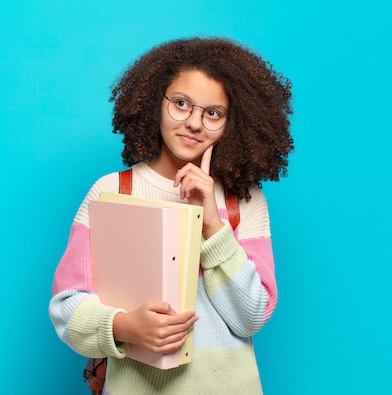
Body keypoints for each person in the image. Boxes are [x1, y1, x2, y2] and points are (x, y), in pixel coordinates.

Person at [49, 36, 293, 394]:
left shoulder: (244, 201)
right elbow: (66, 308)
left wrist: (212, 224)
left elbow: (251, 318)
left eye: (212, 113)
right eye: (181, 104)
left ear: (232, 124)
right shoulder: (112, 192)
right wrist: (124, 326)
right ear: (154, 103)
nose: (194, 123)